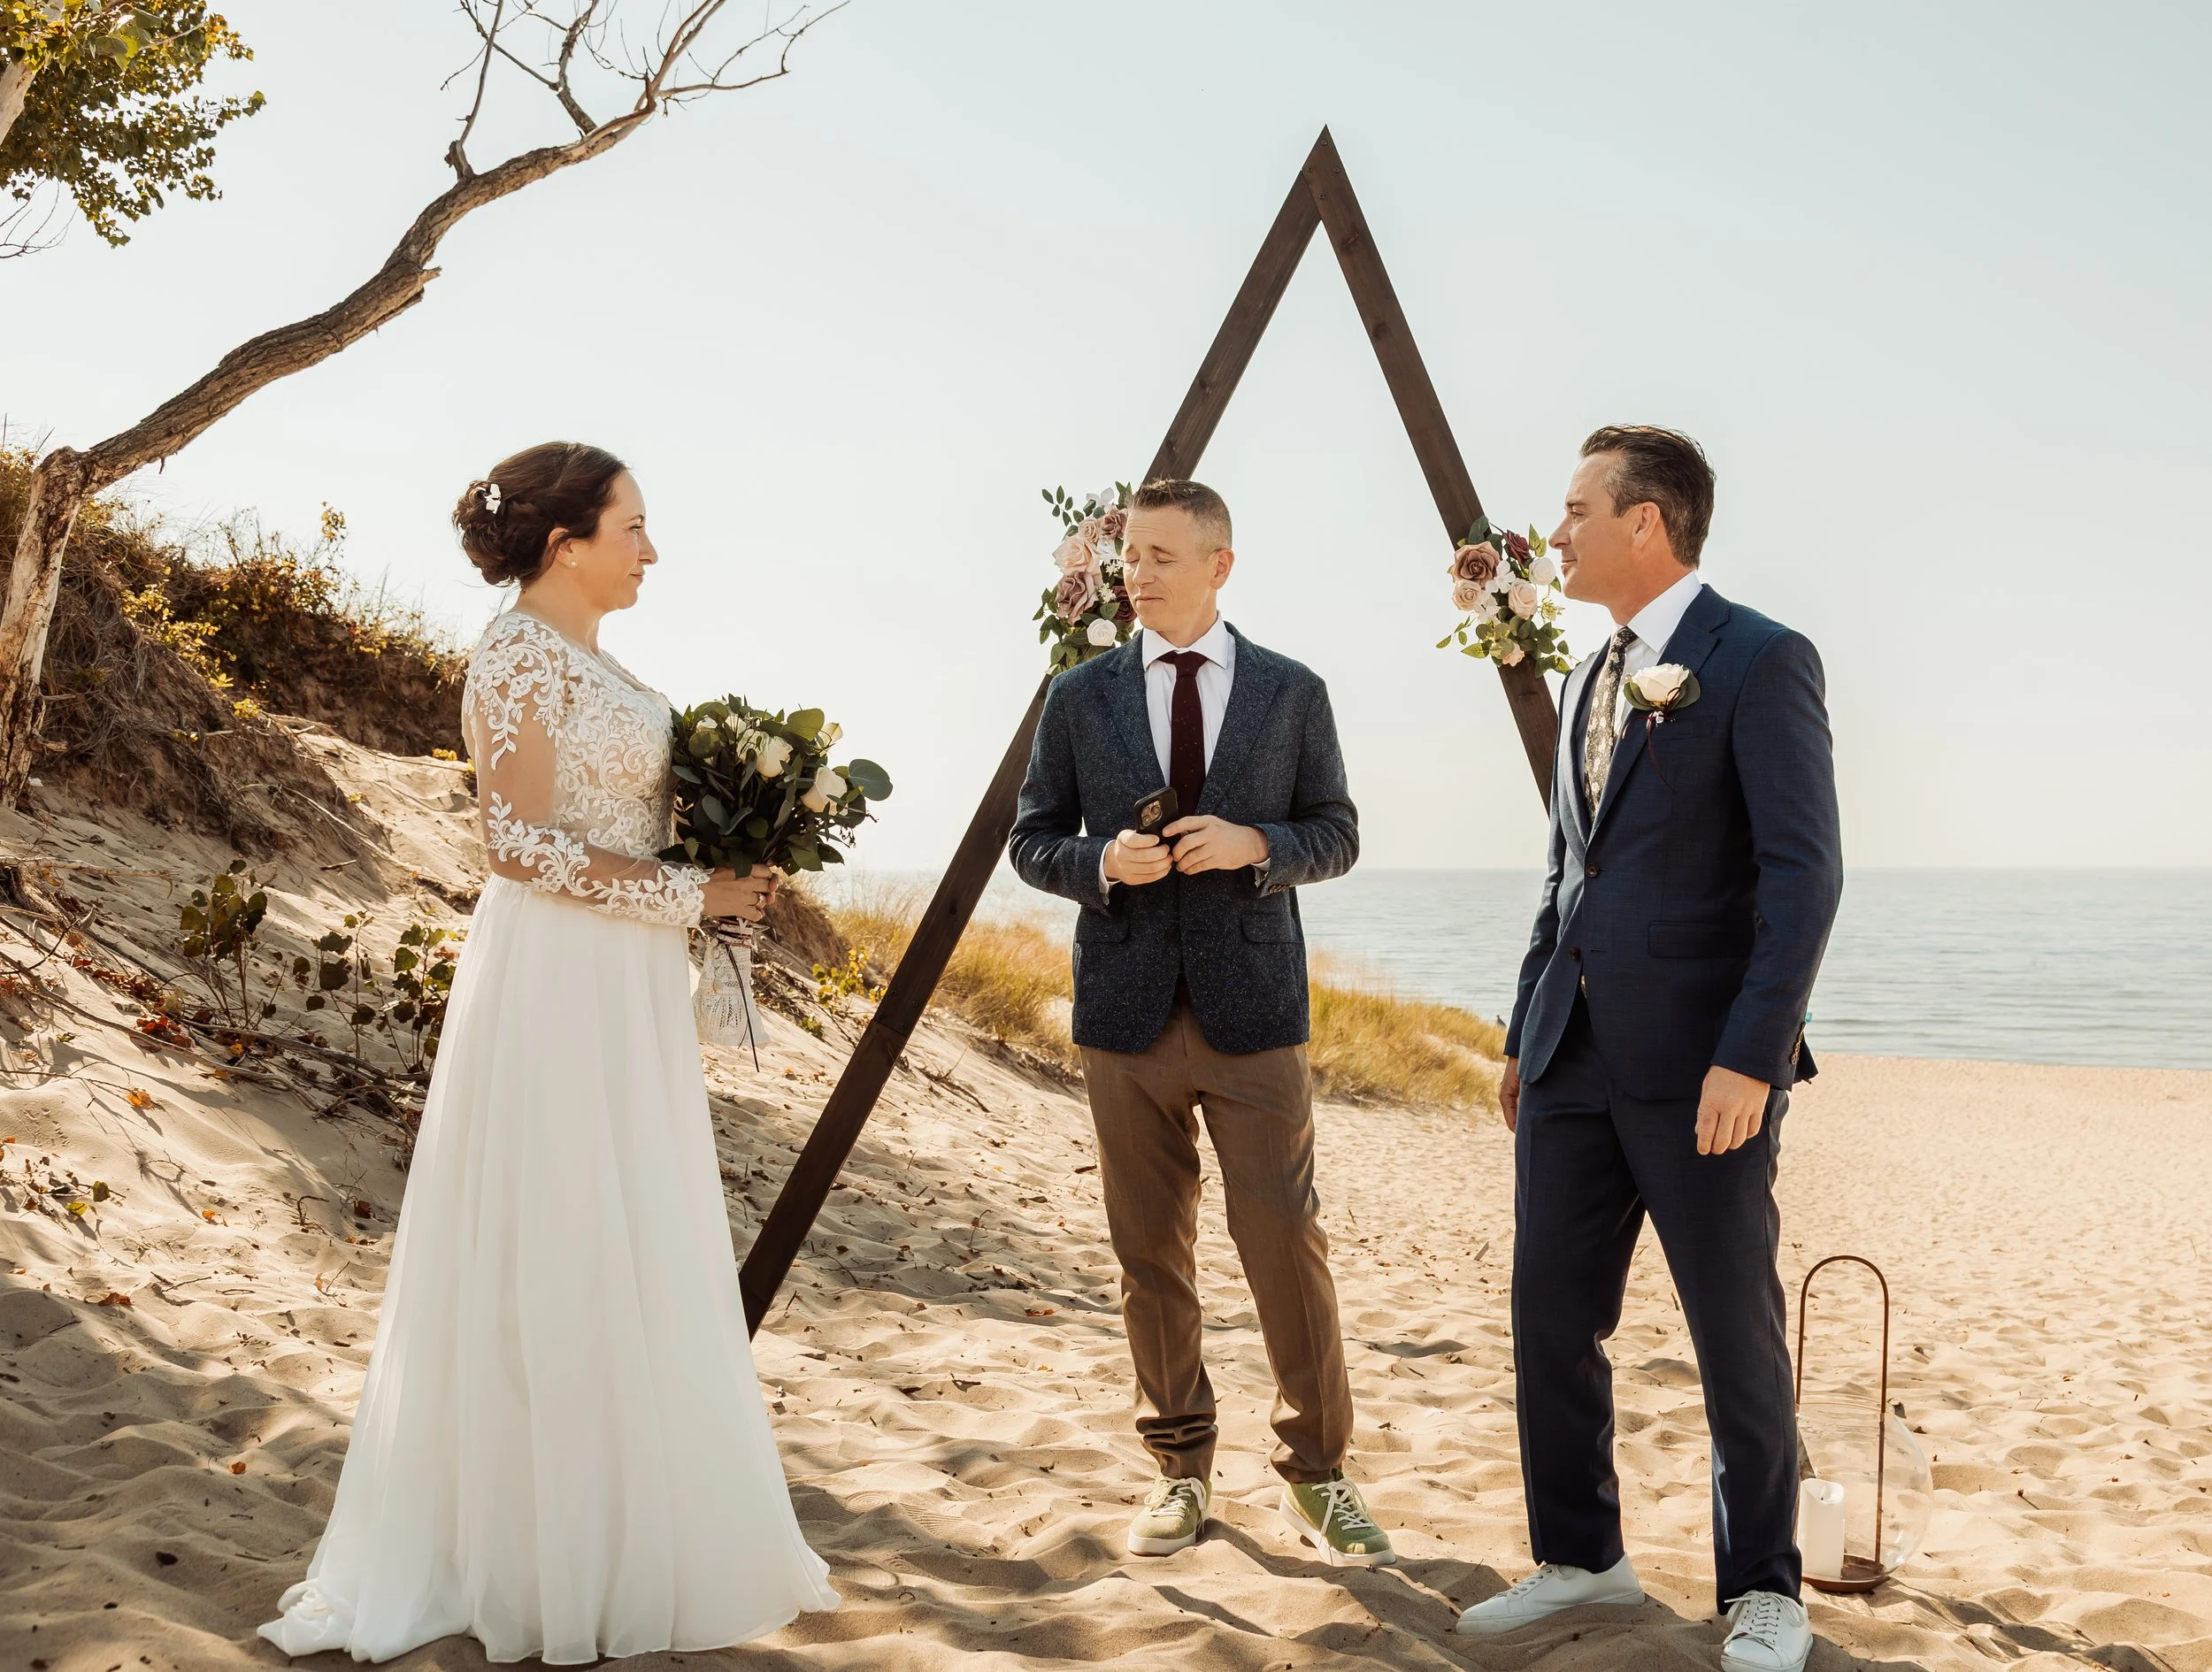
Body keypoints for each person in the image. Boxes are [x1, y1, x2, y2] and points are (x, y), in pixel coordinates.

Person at [259, 441, 840, 1662]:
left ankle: (617, 1524)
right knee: (557, 1234)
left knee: (623, 1232)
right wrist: (691, 890)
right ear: (566, 541)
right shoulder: (520, 651)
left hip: (622, 972)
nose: (652, 549)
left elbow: (605, 811)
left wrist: (727, 853)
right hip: (559, 973)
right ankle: (533, 1550)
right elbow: (517, 844)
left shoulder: (593, 658)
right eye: (634, 526)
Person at [1455, 427, 1842, 1672]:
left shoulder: (1760, 658)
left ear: (1648, 524)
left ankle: (1764, 1585)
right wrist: (1525, 1028)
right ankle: (1582, 1556)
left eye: (1574, 511)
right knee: (1549, 1316)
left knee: (1735, 1327)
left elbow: (1803, 875)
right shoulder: (1587, 674)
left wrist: (1754, 1051)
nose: (1554, 535)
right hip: (1569, 1056)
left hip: (1703, 1070)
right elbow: (1568, 868)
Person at [1007, 478, 1394, 1568]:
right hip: (1121, 1014)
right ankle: (1178, 1471)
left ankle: (1319, 1473)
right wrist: (1101, 864)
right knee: (1149, 1255)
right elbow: (1033, 841)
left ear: (1220, 564)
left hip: (1255, 1011)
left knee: (1282, 1239)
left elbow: (1339, 832)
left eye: (1163, 556)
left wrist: (1257, 847)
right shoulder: (1078, 696)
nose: (1139, 574)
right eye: (1131, 556)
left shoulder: (1291, 691)